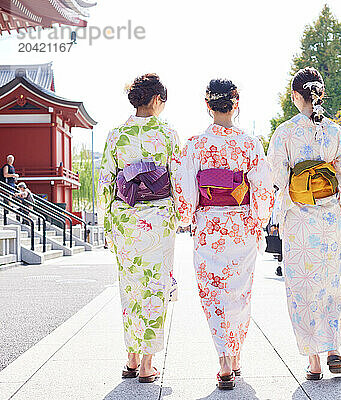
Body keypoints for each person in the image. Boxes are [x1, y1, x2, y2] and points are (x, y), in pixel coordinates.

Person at [173, 79, 274, 390]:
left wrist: (187, 215)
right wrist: (260, 219)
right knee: (239, 294)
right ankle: (236, 354)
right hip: (241, 227)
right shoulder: (250, 143)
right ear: (236, 101)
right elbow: (263, 189)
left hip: (208, 228)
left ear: (207, 104)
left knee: (212, 295)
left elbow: (185, 193)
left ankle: (224, 360)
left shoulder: (194, 145)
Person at [267, 67, 341, 381]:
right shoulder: (335, 131)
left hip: (298, 216)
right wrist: (337, 197)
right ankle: (334, 349)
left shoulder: (285, 132)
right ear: (320, 94)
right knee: (330, 282)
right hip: (329, 216)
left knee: (301, 285)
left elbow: (277, 176)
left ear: (295, 96)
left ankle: (315, 361)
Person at [98, 73, 181, 383]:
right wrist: (182, 216)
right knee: (155, 288)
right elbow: (177, 181)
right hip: (158, 220)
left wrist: (108, 225)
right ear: (157, 100)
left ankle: (131, 358)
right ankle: (147, 364)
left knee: (131, 288)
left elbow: (106, 182)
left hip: (126, 218)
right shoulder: (168, 135)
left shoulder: (116, 134)